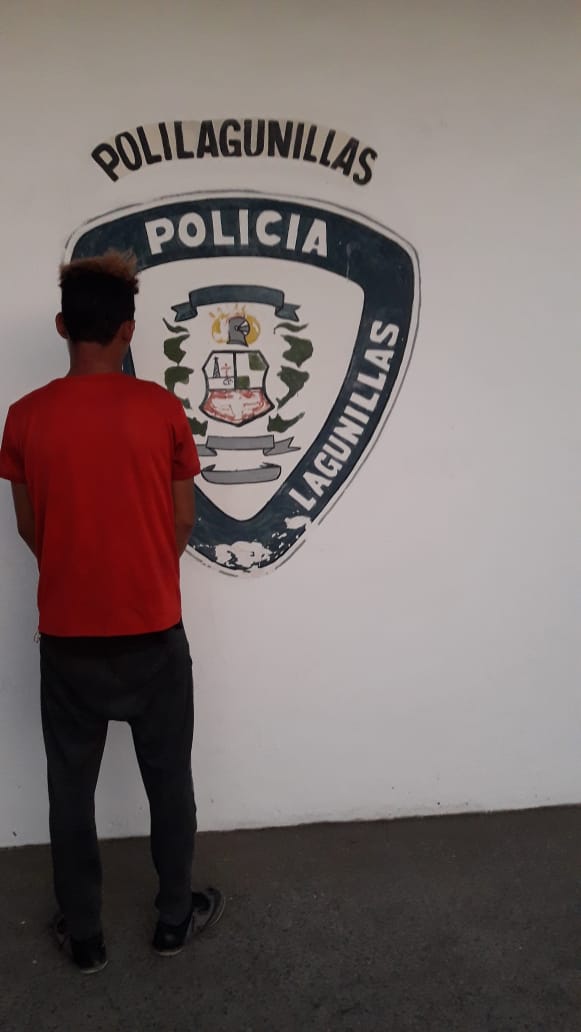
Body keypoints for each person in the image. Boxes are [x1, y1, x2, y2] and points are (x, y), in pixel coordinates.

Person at [0, 252, 223, 974]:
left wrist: (78, 570)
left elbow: (29, 525)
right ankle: (172, 920)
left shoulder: (24, 417)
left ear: (62, 326)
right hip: (153, 631)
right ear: (129, 330)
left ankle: (86, 936)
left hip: (68, 638)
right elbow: (182, 519)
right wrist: (143, 570)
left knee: (70, 788)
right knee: (170, 780)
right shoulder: (161, 410)